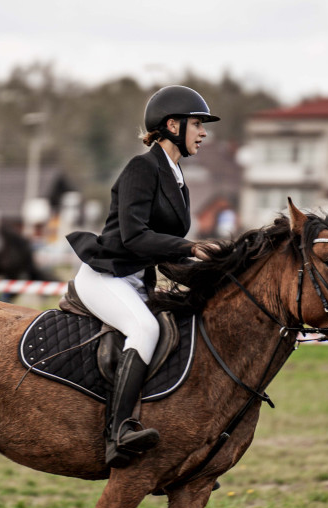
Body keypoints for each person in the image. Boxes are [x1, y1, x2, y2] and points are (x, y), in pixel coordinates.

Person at [66, 85, 221, 468]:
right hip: (106, 275)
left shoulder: (177, 176)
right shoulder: (142, 167)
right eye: (197, 124)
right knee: (145, 330)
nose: (203, 133)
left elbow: (165, 242)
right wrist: (190, 248)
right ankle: (117, 433)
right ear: (173, 124)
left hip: (136, 280)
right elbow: (135, 236)